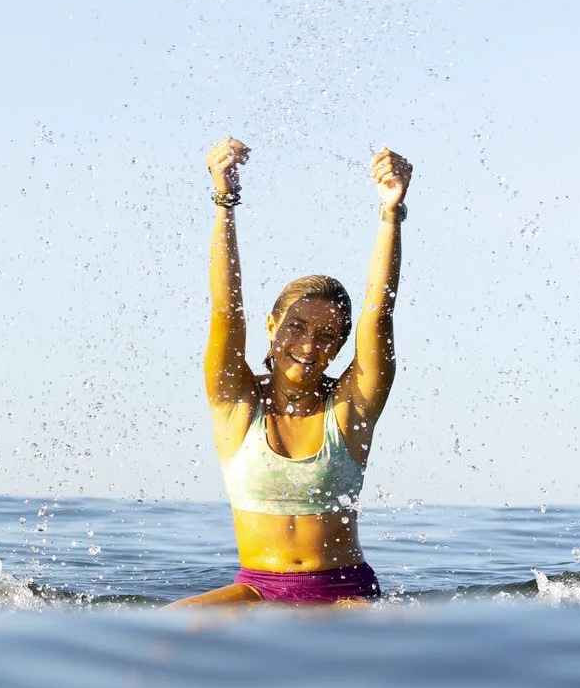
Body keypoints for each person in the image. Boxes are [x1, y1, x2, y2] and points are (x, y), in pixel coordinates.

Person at [170, 137, 413, 607]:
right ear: (271, 326)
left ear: (342, 348)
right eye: (296, 327)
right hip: (257, 589)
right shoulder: (236, 403)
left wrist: (391, 213)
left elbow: (378, 313)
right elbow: (225, 310)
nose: (307, 346)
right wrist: (225, 202)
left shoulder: (349, 408)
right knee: (148, 638)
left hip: (346, 594)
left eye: (327, 337)